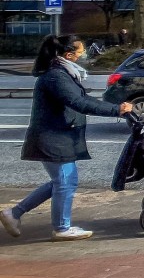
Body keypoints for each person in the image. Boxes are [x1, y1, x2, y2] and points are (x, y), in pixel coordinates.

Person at [1, 35, 132, 242]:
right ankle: (61, 228)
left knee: (61, 182)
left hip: (57, 135)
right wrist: (117, 110)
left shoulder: (64, 73)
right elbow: (77, 103)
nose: (84, 55)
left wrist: (115, 108)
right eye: (81, 52)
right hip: (53, 137)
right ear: (69, 55)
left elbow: (83, 98)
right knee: (65, 181)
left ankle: (14, 213)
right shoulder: (56, 76)